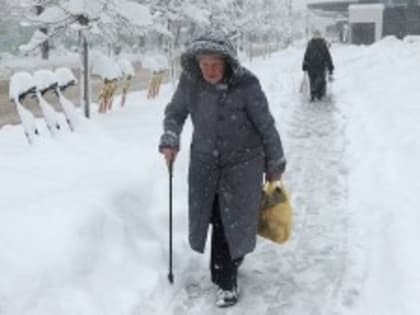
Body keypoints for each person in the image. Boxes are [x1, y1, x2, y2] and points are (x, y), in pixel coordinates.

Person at [158, 31, 286, 307]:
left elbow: (266, 126)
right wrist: (170, 138)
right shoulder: (191, 81)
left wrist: (274, 164)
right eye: (205, 65)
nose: (210, 71)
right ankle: (227, 268)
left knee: (233, 221)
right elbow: (175, 113)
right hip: (205, 165)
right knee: (216, 217)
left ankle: (226, 281)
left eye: (215, 64)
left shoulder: (247, 84)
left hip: (242, 166)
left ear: (227, 61)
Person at [302, 30, 334, 101]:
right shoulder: (322, 44)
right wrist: (330, 68)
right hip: (319, 66)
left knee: (313, 80)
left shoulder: (311, 44)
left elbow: (306, 56)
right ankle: (317, 94)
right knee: (320, 80)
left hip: (312, 66)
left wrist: (304, 65)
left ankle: (314, 94)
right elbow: (327, 56)